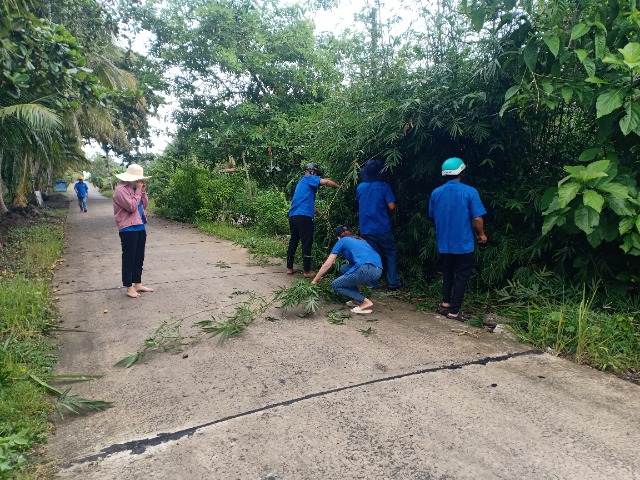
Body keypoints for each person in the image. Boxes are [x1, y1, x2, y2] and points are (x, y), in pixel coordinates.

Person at [428, 157, 487, 321]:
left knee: (447, 272)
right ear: (461, 172)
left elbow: (432, 215)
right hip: (464, 243)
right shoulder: (470, 192)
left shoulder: (436, 192)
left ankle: (446, 303)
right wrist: (481, 235)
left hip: (444, 242)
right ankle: (454, 312)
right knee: (461, 275)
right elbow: (477, 218)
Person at [311, 225, 383, 314]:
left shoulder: (342, 241)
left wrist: (315, 280)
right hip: (377, 271)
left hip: (365, 269)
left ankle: (366, 302)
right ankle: (357, 299)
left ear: (338, 237)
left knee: (336, 285)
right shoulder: (362, 241)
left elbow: (327, 264)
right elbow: (356, 268)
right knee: (344, 268)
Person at [287, 163, 340, 277]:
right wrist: (338, 186)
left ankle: (289, 267)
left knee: (294, 241)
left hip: (293, 216)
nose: (317, 177)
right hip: (303, 217)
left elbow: (311, 206)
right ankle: (307, 271)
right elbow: (326, 182)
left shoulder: (301, 183)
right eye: (317, 174)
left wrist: (321, 215)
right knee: (307, 242)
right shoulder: (309, 178)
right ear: (312, 171)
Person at [356, 159, 400, 290]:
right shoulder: (384, 186)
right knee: (390, 253)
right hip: (382, 227)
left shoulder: (360, 187)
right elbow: (391, 206)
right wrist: (392, 212)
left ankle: (373, 284)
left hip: (366, 228)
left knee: (373, 255)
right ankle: (393, 283)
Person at [112, 164, 154, 299]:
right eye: (138, 179)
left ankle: (138, 283)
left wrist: (143, 191)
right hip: (128, 228)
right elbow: (131, 206)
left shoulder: (137, 189)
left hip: (140, 226)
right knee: (129, 258)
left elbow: (144, 205)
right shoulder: (120, 190)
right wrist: (138, 191)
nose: (140, 182)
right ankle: (129, 287)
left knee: (139, 257)